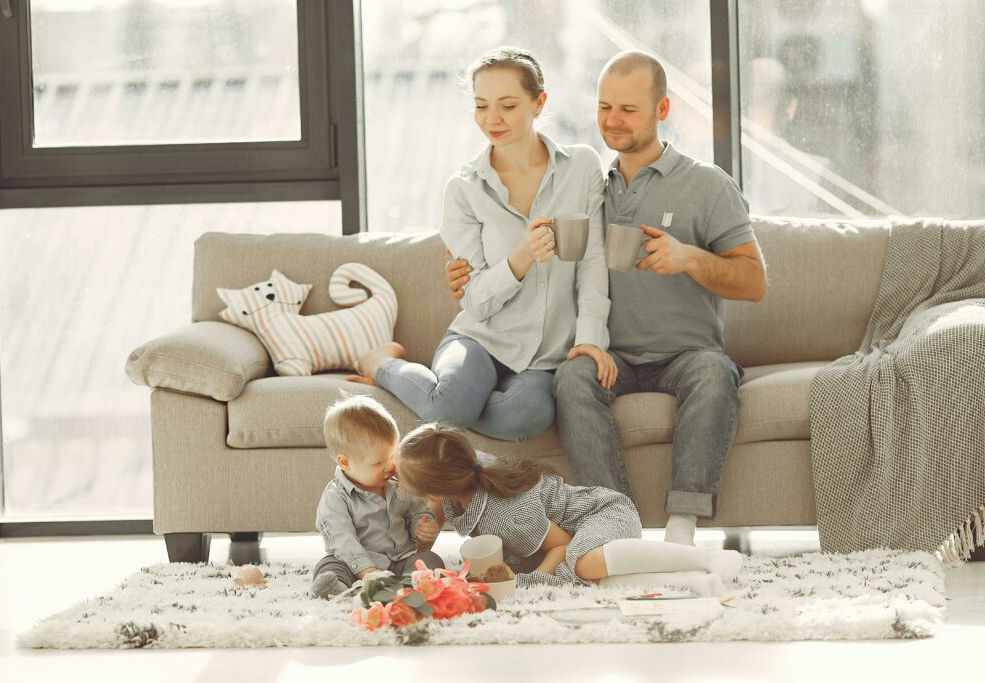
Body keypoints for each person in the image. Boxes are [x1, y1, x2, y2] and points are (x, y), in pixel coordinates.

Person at [447, 50, 767, 545]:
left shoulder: (706, 185)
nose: (612, 120)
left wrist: (689, 258)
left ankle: (682, 524)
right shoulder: (592, 181)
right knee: (572, 377)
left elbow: (754, 281)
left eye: (628, 110)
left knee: (714, 373)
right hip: (611, 354)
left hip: (686, 353)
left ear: (662, 110)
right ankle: (619, 525)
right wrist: (465, 271)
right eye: (604, 107)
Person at [349, 46, 616, 442]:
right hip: (480, 339)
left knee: (526, 416)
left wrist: (589, 341)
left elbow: (593, 261)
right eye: (481, 106)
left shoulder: (581, 166)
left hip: (545, 356)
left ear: (539, 102)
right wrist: (522, 256)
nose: (492, 119)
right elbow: (474, 302)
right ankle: (381, 364)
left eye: (507, 106)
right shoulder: (464, 190)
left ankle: (458, 398)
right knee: (449, 409)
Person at [395, 423, 744, 588]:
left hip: (604, 513)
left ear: (437, 488)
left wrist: (530, 581)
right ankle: (693, 583)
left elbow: (561, 545)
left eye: (400, 475)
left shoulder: (507, 515)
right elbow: (437, 510)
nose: (394, 476)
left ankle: (705, 558)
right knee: (594, 579)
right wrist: (428, 528)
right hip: (584, 532)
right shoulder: (464, 470)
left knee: (580, 564)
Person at [309, 395, 445, 598]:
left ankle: (406, 586)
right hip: (355, 566)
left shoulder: (397, 485)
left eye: (393, 456)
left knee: (430, 559)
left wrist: (421, 526)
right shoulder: (335, 497)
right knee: (329, 566)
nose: (390, 466)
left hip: (399, 561)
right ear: (345, 462)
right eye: (379, 462)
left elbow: (417, 512)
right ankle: (338, 589)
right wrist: (367, 571)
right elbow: (342, 539)